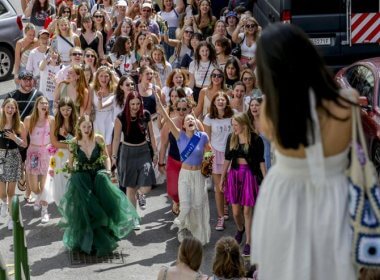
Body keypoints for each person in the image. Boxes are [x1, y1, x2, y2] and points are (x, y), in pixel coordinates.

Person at [251, 23, 356, 279]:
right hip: (336, 196)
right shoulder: (348, 101)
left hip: (286, 197)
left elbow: (265, 129)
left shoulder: (269, 111)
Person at [58, 115, 138, 257]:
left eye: (89, 126)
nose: (87, 129)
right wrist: (69, 171)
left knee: (102, 179)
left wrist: (107, 171)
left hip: (98, 174)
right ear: (79, 127)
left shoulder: (99, 139)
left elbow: (106, 156)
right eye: (84, 127)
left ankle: (106, 233)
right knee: (80, 183)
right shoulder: (74, 143)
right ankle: (87, 240)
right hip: (83, 177)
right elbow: (71, 163)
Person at [155, 90, 211, 245]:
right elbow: (166, 118)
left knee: (197, 206)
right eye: (186, 120)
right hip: (185, 174)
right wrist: (159, 103)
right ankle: (180, 227)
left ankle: (196, 233)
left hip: (199, 175)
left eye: (191, 118)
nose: (188, 120)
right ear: (184, 125)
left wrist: (208, 166)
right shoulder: (180, 135)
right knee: (185, 206)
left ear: (194, 119)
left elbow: (209, 150)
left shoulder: (202, 136)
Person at [220, 112, 266, 257]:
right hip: (234, 175)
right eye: (232, 124)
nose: (233, 127)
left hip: (249, 175)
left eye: (236, 125)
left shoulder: (256, 139)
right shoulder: (231, 137)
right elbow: (227, 159)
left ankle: (249, 242)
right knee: (235, 212)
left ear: (244, 124)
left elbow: (261, 161)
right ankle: (240, 229)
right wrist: (222, 178)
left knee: (247, 211)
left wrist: (266, 181)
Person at [111, 92, 157, 230]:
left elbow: (152, 135)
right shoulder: (120, 117)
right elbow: (116, 138)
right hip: (127, 152)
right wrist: (114, 157)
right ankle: (134, 217)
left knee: (147, 183)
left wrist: (155, 153)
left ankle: (140, 194)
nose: (135, 107)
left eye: (138, 104)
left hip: (143, 151)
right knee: (130, 187)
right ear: (128, 104)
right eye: (132, 104)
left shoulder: (146, 115)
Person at [6, 70, 44, 202]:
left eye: (30, 79)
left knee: (31, 165)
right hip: (15, 137)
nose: (28, 82)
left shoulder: (38, 95)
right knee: (20, 164)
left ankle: (28, 194)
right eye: (25, 79)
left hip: (33, 138)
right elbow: (5, 114)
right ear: (19, 80)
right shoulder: (12, 95)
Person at [203, 92, 234, 231]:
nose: (220, 101)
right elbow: (207, 139)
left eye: (223, 99)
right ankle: (220, 217)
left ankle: (227, 204)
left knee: (229, 185)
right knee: (218, 187)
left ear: (226, 102)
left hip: (231, 155)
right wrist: (207, 159)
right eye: (218, 99)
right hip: (216, 154)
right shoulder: (209, 118)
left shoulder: (233, 115)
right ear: (214, 102)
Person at [24, 96, 55, 224]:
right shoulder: (28, 120)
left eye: (46, 103)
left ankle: (44, 210)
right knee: (34, 187)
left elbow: (53, 138)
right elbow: (24, 140)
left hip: (47, 153)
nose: (45, 105)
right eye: (42, 103)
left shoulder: (51, 119)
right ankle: (37, 197)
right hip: (33, 154)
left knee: (45, 185)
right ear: (37, 105)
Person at [0, 99, 28, 230]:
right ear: (3, 107)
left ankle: (11, 218)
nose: (10, 110)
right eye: (8, 107)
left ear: (16, 110)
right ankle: (3, 204)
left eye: (13, 108)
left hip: (13, 157)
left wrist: (14, 138)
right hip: (0, 158)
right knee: (2, 192)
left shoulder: (19, 124)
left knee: (11, 192)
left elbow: (24, 144)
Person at [44, 97, 77, 205]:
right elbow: (54, 142)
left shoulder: (76, 121)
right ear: (59, 110)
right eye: (63, 110)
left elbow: (78, 140)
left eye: (68, 109)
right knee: (60, 177)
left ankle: (72, 200)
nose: (65, 112)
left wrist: (67, 135)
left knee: (72, 177)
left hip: (73, 154)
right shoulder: (55, 122)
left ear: (72, 109)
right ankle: (62, 201)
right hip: (60, 154)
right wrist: (69, 146)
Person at [247, 95, 271, 171]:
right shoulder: (248, 123)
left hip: (268, 158)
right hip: (252, 160)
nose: (254, 107)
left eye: (257, 105)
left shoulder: (268, 122)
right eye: (252, 105)